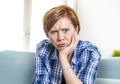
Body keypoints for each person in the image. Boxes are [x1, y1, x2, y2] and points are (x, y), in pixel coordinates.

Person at [32, 5, 101, 84]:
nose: (60, 38)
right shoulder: (43, 49)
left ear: (76, 29)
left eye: (65, 30)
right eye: (54, 32)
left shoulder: (90, 52)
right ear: (47, 34)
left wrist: (63, 57)